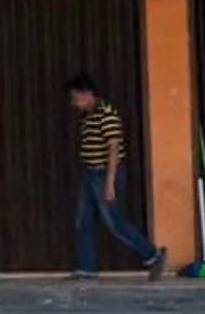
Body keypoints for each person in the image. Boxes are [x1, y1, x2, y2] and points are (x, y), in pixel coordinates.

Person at [66, 73, 166, 281]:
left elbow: (113, 148)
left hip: (105, 174)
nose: (74, 104)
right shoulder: (88, 116)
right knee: (84, 222)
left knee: (115, 222)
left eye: (76, 98)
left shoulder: (107, 115)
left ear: (87, 94)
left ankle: (152, 255)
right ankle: (86, 269)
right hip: (90, 173)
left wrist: (110, 183)